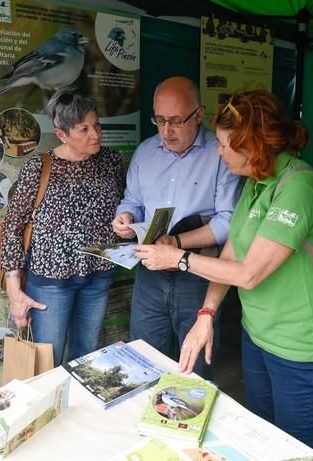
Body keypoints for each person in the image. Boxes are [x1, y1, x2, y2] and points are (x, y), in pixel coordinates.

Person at [135, 90, 313, 453]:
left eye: (224, 145)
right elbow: (230, 257)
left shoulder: (299, 186)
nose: (218, 152)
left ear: (254, 146)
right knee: (260, 429)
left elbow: (248, 274)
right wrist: (206, 313)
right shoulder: (255, 183)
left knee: (297, 445)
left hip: (300, 343)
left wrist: (178, 259)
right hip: (258, 333)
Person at [112, 76, 241, 379]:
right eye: (159, 120)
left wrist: (177, 242)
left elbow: (229, 221)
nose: (166, 131)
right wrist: (126, 218)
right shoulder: (145, 152)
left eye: (175, 121)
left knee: (193, 371)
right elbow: (131, 200)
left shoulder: (221, 153)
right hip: (149, 275)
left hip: (197, 274)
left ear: (198, 114)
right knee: (142, 361)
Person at [0, 91, 124, 366]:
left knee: (88, 354)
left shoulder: (111, 161)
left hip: (99, 276)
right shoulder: (39, 166)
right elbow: (13, 226)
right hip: (51, 282)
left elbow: (126, 205)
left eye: (97, 125)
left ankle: (80, 406)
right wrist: (13, 289)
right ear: (61, 134)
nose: (95, 134)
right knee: (47, 358)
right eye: (84, 129)